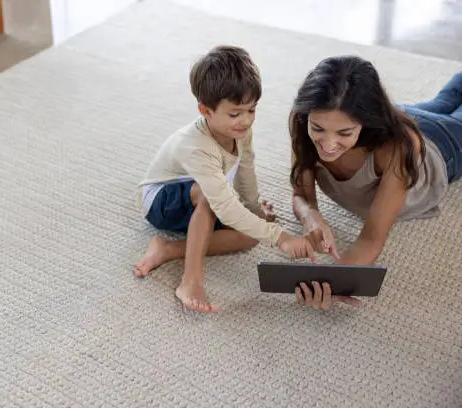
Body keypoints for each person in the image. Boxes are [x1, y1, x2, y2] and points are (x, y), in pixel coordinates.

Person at [133, 45, 316, 313]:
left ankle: (169, 249)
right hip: (161, 201)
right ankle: (190, 280)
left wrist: (254, 211)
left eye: (252, 110)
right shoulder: (194, 145)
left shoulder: (240, 130)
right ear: (205, 110)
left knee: (250, 236)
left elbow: (246, 168)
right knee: (212, 199)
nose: (246, 120)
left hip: (201, 193)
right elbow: (225, 206)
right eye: (235, 113)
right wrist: (281, 237)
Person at [289, 55, 461, 310]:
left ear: (364, 122)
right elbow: (301, 195)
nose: (327, 144)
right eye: (318, 129)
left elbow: (371, 238)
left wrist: (336, 282)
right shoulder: (303, 119)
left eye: (344, 133)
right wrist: (310, 216)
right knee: (444, 101)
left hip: (441, 148)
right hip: (403, 118)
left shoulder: (395, 150)